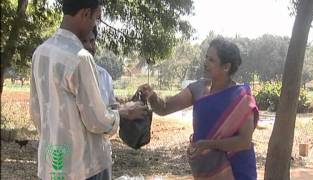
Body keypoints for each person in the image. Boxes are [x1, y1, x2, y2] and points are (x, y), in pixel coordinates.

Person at [30, 0, 147, 179]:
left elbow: (36, 112)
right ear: (85, 13)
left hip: (52, 167)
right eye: (96, 18)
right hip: (85, 168)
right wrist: (123, 113)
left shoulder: (40, 53)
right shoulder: (80, 58)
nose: (95, 24)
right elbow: (97, 121)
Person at [139, 38, 259, 180]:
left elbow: (244, 141)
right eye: (206, 57)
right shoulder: (198, 89)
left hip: (238, 169)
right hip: (207, 169)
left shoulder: (241, 98)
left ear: (226, 67)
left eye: (212, 60)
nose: (205, 62)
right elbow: (165, 108)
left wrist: (209, 144)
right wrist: (152, 96)